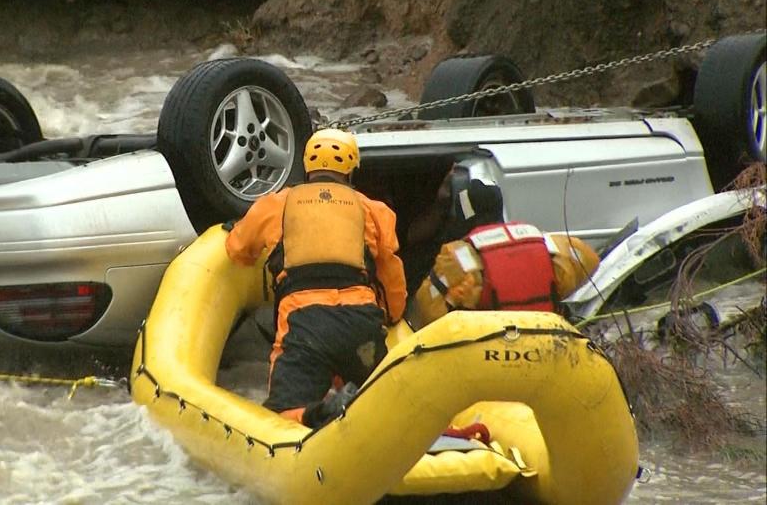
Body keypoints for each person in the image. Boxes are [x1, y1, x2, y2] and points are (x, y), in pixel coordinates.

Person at [225, 128, 407, 428]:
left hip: (304, 324)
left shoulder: (277, 204)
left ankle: (318, 413)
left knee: (283, 417)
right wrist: (391, 315)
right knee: (384, 408)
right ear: (350, 171)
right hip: (360, 322)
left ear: (307, 167)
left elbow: (237, 250)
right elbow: (391, 275)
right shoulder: (374, 210)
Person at [407, 174, 600, 329]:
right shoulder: (543, 242)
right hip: (546, 340)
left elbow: (426, 311)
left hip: (492, 352)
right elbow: (590, 260)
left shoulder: (460, 258)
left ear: (465, 213)